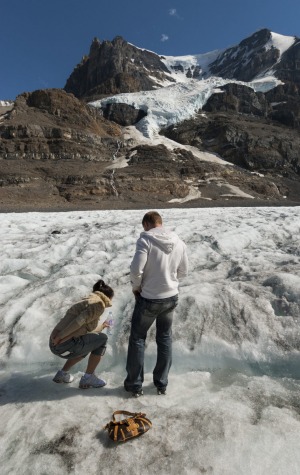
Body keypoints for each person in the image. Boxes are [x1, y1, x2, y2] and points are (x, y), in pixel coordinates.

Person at [124, 211, 188, 397]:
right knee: (165, 337)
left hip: (149, 297)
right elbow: (183, 271)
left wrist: (137, 287)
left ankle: (135, 385)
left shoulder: (145, 240)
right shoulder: (178, 241)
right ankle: (161, 384)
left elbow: (136, 269)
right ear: (160, 222)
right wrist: (171, 282)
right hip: (171, 297)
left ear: (146, 224)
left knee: (137, 338)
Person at [49, 279, 114, 389]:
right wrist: (60, 337)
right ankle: (88, 377)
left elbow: (83, 328)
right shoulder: (98, 304)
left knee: (89, 342)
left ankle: (62, 373)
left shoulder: (85, 301)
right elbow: (79, 321)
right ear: (108, 297)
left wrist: (103, 326)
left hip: (54, 344)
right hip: (63, 343)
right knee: (103, 339)